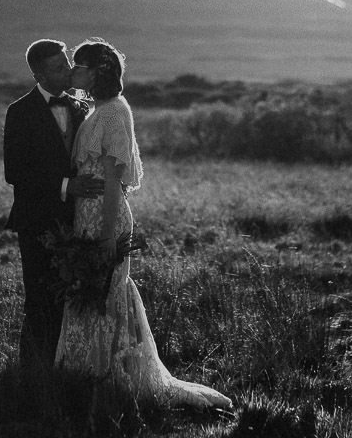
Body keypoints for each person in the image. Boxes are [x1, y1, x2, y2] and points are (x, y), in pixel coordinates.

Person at [54, 38, 233, 410]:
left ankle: (115, 380)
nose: (73, 72)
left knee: (106, 295)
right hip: (85, 216)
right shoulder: (95, 109)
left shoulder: (114, 112)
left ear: (97, 71)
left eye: (79, 66)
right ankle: (87, 377)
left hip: (105, 216)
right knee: (89, 295)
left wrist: (106, 235)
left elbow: (114, 177)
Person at [3, 38, 102, 373]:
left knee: (74, 298)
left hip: (77, 219)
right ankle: (32, 372)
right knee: (39, 298)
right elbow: (15, 172)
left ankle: (70, 367)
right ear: (39, 75)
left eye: (67, 63)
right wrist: (65, 185)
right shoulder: (19, 112)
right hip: (35, 220)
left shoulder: (82, 108)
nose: (68, 71)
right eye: (59, 67)